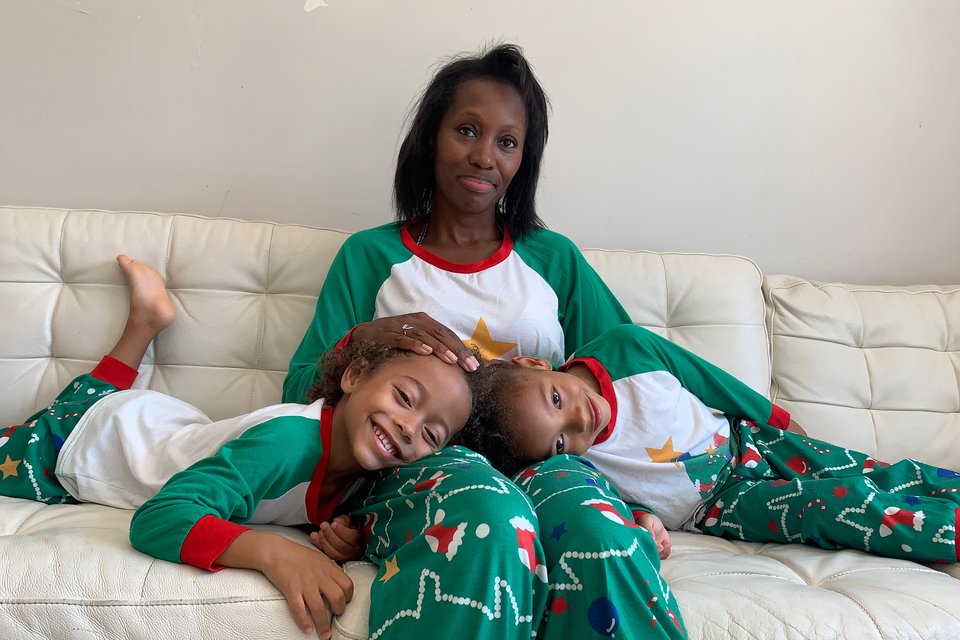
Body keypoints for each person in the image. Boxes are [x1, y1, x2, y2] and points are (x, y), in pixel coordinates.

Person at [286, 44, 686, 639]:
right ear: (430, 139)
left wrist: (638, 501)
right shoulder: (371, 255)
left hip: (547, 466)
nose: (483, 156)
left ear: (525, 159)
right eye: (466, 131)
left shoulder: (554, 258)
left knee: (599, 536)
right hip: (426, 464)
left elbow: (622, 381)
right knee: (486, 519)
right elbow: (299, 390)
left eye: (507, 141)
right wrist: (362, 339)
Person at [0, 255, 477, 640]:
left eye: (432, 434)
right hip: (85, 445)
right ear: (353, 376)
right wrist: (273, 553)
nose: (410, 427)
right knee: (61, 416)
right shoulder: (286, 443)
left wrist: (343, 537)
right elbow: (159, 519)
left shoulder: (362, 471)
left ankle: (146, 322)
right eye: (403, 397)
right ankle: (141, 327)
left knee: (93, 394)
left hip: (154, 421)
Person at [460, 323, 960, 564]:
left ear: (534, 364)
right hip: (723, 503)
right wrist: (642, 520)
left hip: (754, 441)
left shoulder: (624, 348)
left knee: (872, 472)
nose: (577, 423)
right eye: (561, 441)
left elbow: (711, 380)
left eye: (555, 399)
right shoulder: (577, 464)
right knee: (834, 504)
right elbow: (605, 501)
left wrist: (777, 419)